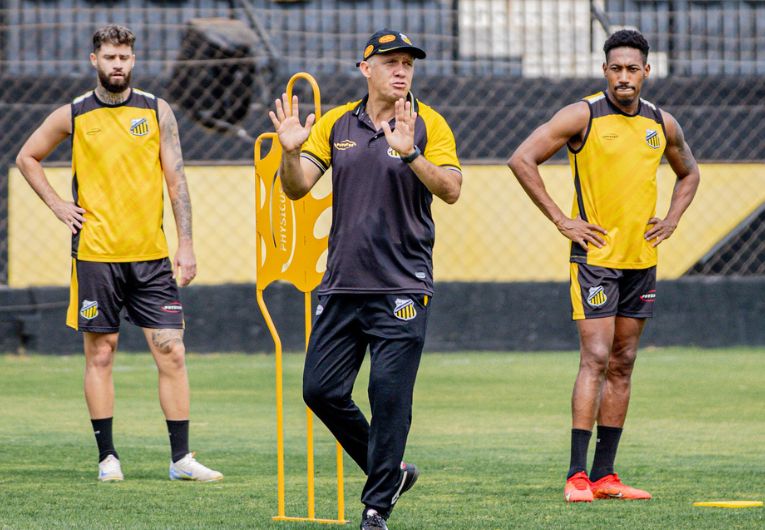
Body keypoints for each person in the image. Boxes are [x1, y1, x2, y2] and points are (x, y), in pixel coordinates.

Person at [269, 29, 462, 530]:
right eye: (391, 62)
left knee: (388, 395)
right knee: (320, 390)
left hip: (402, 285)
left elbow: (453, 190)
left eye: (409, 64)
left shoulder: (428, 123)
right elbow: (297, 187)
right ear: (366, 69)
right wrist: (291, 152)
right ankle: (391, 473)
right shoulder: (337, 123)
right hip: (342, 284)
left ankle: (376, 508)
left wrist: (411, 153)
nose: (402, 70)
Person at [15, 24, 222, 483]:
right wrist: (57, 204)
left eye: (124, 58)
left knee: (172, 350)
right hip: (95, 256)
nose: (117, 65)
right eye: (109, 57)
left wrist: (185, 244)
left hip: (150, 256)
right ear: (95, 61)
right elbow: (27, 157)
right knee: (102, 354)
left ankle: (181, 460)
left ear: (133, 60)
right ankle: (108, 457)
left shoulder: (156, 110)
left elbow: (177, 180)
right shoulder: (74, 114)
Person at [508, 29, 699, 502]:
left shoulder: (662, 123)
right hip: (594, 260)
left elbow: (689, 173)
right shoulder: (584, 115)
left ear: (647, 73)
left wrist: (672, 219)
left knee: (624, 361)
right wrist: (562, 220)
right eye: (616, 68)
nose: (624, 77)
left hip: (641, 260)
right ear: (604, 71)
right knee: (595, 357)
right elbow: (522, 159)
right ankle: (576, 476)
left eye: (633, 69)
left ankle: (606, 476)